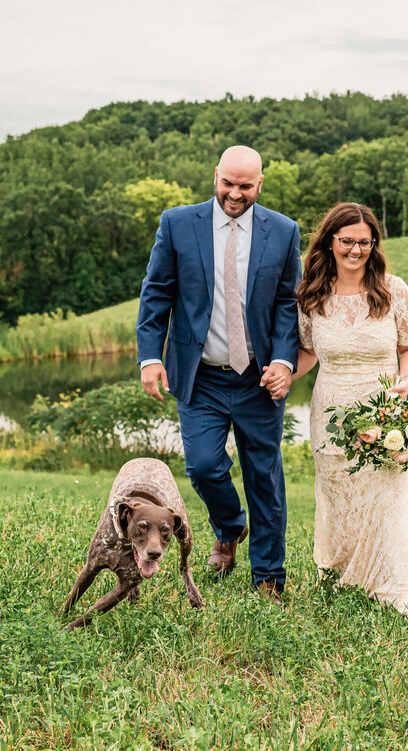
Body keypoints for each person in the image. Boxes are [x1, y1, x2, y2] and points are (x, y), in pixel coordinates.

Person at [136, 145, 300, 605]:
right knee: (204, 467)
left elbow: (289, 305)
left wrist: (285, 362)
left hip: (258, 379)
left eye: (245, 186)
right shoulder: (177, 223)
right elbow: (156, 296)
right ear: (216, 177)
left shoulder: (284, 231)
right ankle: (229, 527)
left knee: (263, 477)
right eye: (228, 183)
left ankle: (268, 577)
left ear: (260, 184)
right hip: (200, 376)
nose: (235, 193)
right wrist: (150, 357)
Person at [291, 202, 408, 617]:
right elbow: (307, 352)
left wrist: (404, 384)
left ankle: (401, 592)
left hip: (384, 411)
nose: (355, 250)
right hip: (330, 412)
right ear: (330, 241)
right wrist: (279, 376)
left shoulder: (393, 289)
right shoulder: (311, 293)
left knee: (389, 500)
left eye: (364, 242)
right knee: (339, 497)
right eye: (347, 241)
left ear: (375, 244)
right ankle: (340, 578)